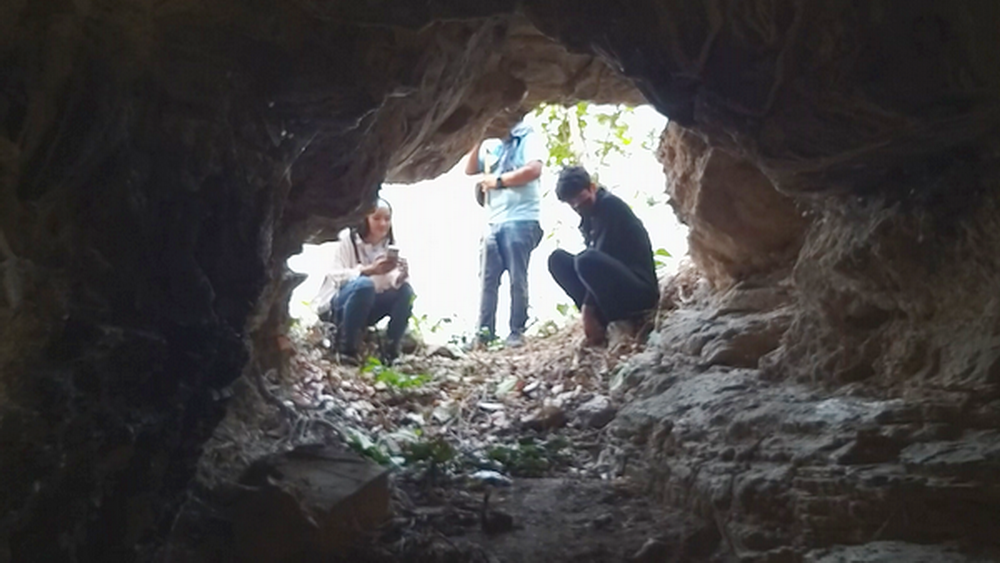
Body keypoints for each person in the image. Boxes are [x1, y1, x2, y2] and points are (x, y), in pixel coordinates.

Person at [548, 166, 659, 347]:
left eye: (580, 200)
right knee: (557, 260)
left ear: (592, 187)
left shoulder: (610, 207)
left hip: (638, 292)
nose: (577, 206)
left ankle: (620, 322)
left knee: (586, 260)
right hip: (610, 292)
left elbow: (598, 257)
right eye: (572, 204)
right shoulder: (588, 218)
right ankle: (602, 322)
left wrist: (587, 311)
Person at [465, 119, 545, 348]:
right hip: (494, 220)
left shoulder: (527, 138)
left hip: (521, 218)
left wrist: (498, 182)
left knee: (517, 277)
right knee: (488, 279)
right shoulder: (493, 146)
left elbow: (533, 170)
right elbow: (470, 168)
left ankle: (516, 332)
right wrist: (478, 137)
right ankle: (484, 333)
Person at [312, 198, 414, 364]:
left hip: (369, 306)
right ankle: (347, 350)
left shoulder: (389, 246)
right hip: (340, 306)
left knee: (406, 292)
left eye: (387, 219)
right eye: (377, 219)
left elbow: (390, 283)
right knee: (365, 285)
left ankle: (391, 350)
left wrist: (402, 276)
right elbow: (335, 276)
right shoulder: (348, 241)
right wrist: (368, 270)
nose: (382, 224)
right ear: (365, 220)